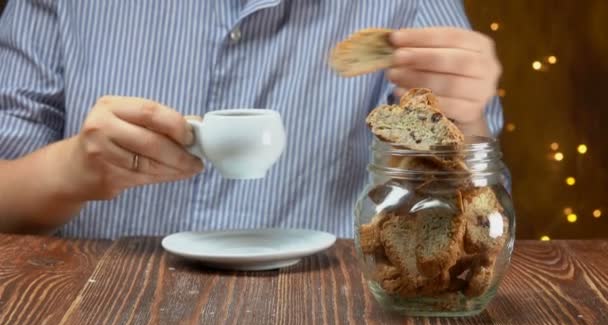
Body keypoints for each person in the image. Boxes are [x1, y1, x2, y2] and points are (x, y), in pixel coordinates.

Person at [0, 0, 503, 238]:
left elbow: (468, 227)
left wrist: (464, 124)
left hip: (323, 318)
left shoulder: (407, 7)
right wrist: (71, 171)